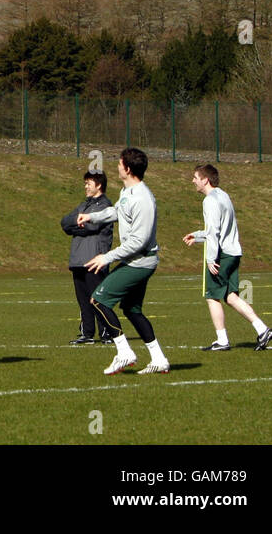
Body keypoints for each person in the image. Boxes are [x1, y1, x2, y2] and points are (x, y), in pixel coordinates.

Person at [80, 147, 169, 375]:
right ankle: (159, 359)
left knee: (98, 300)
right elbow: (116, 212)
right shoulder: (127, 192)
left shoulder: (143, 198)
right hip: (135, 260)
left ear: (128, 169)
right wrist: (92, 216)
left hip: (140, 262)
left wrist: (106, 257)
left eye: (119, 164)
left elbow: (139, 241)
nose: (117, 167)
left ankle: (124, 352)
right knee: (131, 309)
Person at [181, 164, 272, 351]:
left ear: (205, 179)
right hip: (233, 252)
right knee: (231, 297)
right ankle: (262, 329)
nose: (193, 181)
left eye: (195, 177)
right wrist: (198, 236)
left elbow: (215, 232)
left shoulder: (209, 201)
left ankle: (222, 340)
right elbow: (217, 229)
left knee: (211, 296)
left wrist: (210, 259)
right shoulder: (223, 195)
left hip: (222, 255)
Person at [61, 171, 115, 344]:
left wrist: (77, 226)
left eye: (88, 183)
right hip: (78, 259)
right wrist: (77, 225)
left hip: (95, 258)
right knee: (83, 300)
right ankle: (87, 333)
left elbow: (92, 226)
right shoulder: (83, 205)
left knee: (97, 298)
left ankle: (107, 332)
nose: (85, 186)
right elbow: (65, 223)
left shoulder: (105, 205)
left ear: (98, 185)